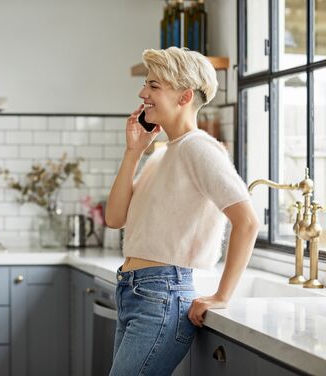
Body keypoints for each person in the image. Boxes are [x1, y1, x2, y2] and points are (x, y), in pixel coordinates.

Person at [105, 47, 260, 376]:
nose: (142, 93)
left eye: (154, 86)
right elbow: (115, 218)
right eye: (146, 84)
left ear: (184, 96)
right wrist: (134, 152)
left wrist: (222, 295)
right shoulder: (161, 155)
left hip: (161, 295)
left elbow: (247, 221)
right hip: (135, 292)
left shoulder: (199, 148)